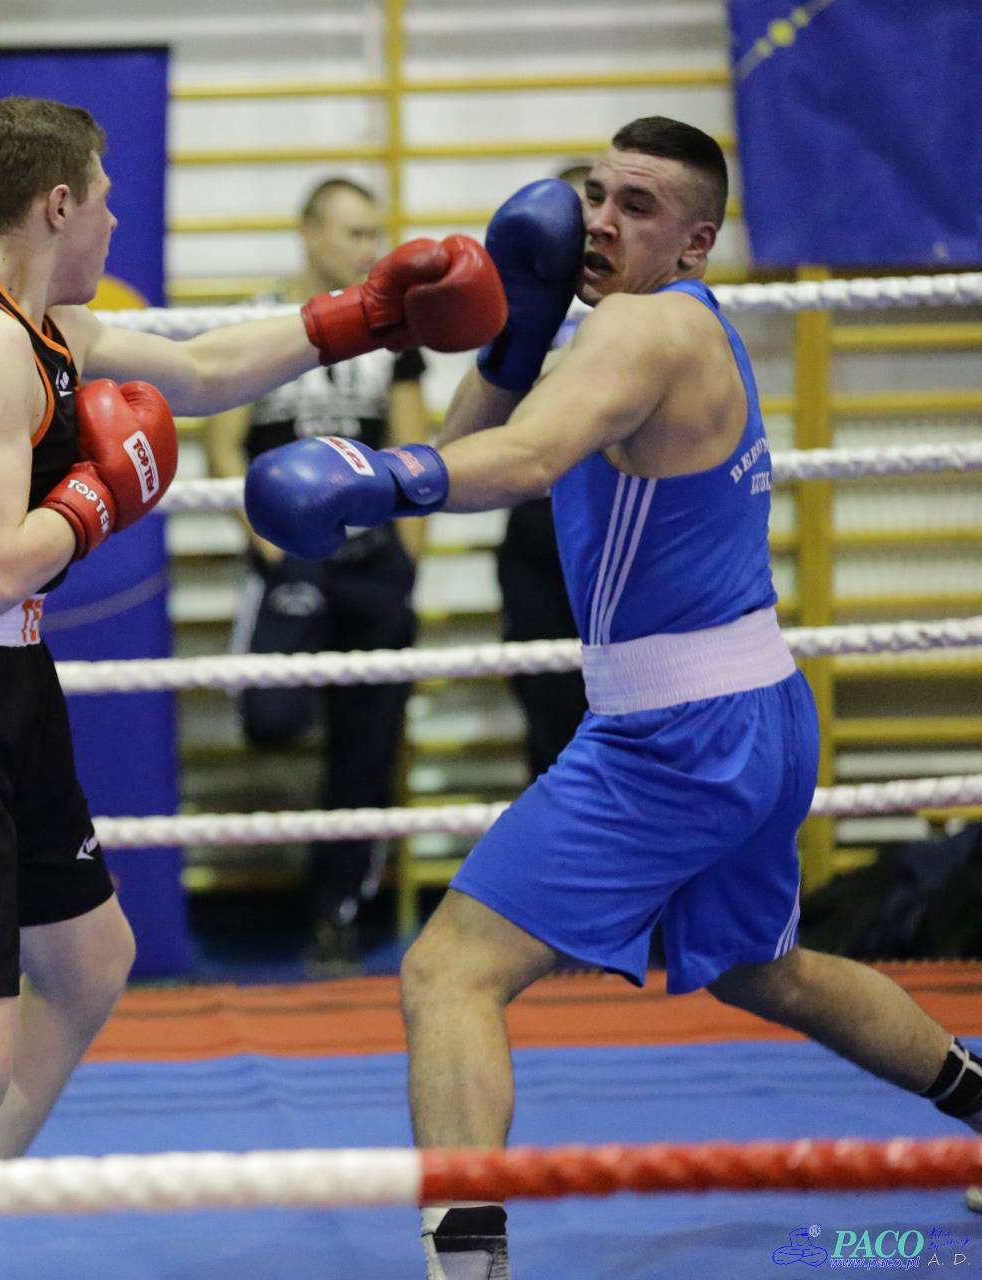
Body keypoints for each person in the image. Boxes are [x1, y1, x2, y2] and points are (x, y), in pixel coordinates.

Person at [242, 116, 982, 1280]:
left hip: (674, 736)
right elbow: (481, 444)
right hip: (755, 708)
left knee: (448, 969)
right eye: (597, 192)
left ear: (694, 243)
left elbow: (522, 463)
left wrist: (372, 474)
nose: (598, 220)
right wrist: (519, 332)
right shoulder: (648, 326)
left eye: (637, 206)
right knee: (765, 968)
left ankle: (467, 1266)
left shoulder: (644, 328)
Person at [0, 95, 504, 1280]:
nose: (114, 220)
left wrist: (365, 316)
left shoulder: (42, 323)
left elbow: (205, 369)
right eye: (105, 199)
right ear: (56, 204)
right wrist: (99, 496)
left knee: (88, 963)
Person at [204, 177, 428, 969]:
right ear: (309, 233)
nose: (370, 249)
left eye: (374, 234)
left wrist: (407, 553)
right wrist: (267, 544)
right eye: (355, 233)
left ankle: (337, 910)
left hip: (372, 561)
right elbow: (224, 444)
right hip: (291, 556)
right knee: (271, 716)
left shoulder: (392, 331)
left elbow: (412, 449)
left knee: (367, 747)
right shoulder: (261, 320)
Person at [493, 163, 593, 780]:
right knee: (550, 718)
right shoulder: (528, 306)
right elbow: (486, 423)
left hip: (622, 525)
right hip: (538, 523)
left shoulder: (656, 315)